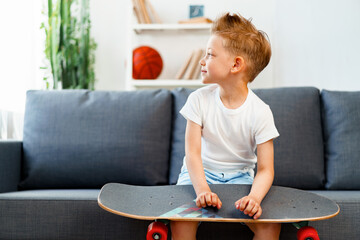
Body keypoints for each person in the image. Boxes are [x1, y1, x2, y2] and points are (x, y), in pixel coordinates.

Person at [171, 12, 281, 240]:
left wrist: (254, 198)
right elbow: (192, 155)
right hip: (199, 175)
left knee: (270, 227)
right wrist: (203, 190)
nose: (203, 60)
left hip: (240, 179)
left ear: (236, 64)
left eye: (210, 55)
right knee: (180, 220)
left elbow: (265, 169)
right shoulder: (198, 100)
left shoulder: (261, 112)